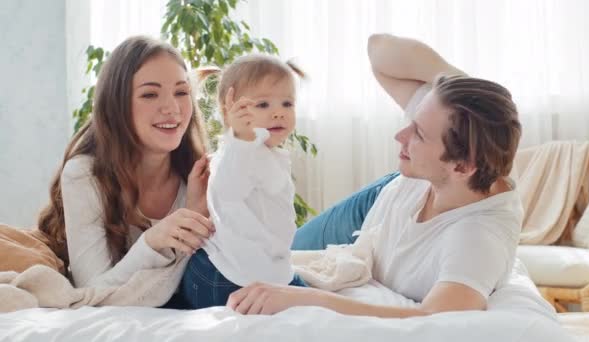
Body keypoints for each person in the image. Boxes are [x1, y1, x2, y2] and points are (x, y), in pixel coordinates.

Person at [225, 34, 524, 318]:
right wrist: (458, 86)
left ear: (461, 166)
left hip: (394, 219)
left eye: (417, 134)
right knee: (262, 260)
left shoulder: (478, 239)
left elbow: (433, 317)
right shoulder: (449, 120)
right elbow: (378, 48)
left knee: (260, 280)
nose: (400, 135)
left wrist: (307, 298)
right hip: (386, 200)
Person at [37, 36, 215, 297]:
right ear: (116, 104)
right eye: (150, 94)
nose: (172, 108)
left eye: (181, 92)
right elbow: (92, 290)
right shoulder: (84, 175)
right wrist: (152, 243)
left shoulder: (199, 173)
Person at [179, 55, 307, 309]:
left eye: (287, 103)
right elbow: (227, 189)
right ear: (230, 112)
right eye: (262, 105)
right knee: (307, 307)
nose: (278, 113)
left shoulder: (258, 151)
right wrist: (242, 139)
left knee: (309, 298)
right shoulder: (240, 152)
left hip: (253, 268)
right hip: (224, 278)